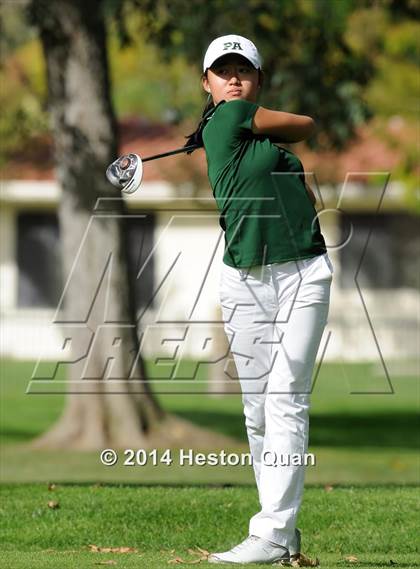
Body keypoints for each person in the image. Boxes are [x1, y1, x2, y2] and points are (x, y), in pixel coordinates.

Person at [186, 34, 332, 565]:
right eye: (222, 71)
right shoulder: (224, 121)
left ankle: (270, 533)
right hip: (243, 279)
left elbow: (302, 185)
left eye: (242, 71)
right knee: (256, 411)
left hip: (302, 276)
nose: (233, 79)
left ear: (258, 81)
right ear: (206, 84)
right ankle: (283, 534)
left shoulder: (250, 137)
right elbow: (307, 125)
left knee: (285, 396)